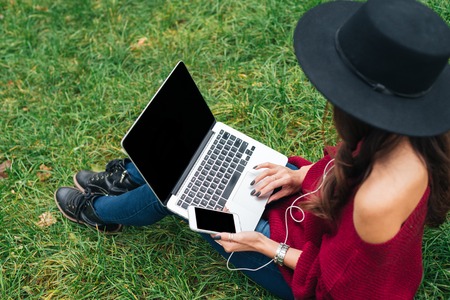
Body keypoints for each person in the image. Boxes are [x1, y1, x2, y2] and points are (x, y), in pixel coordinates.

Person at [54, 0, 450, 298]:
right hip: (306, 218)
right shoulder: (411, 135)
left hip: (294, 263)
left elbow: (337, 288)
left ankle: (99, 211)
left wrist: (263, 245)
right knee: (201, 158)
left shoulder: (376, 201)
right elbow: (344, 170)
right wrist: (301, 175)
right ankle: (127, 178)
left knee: (178, 190)